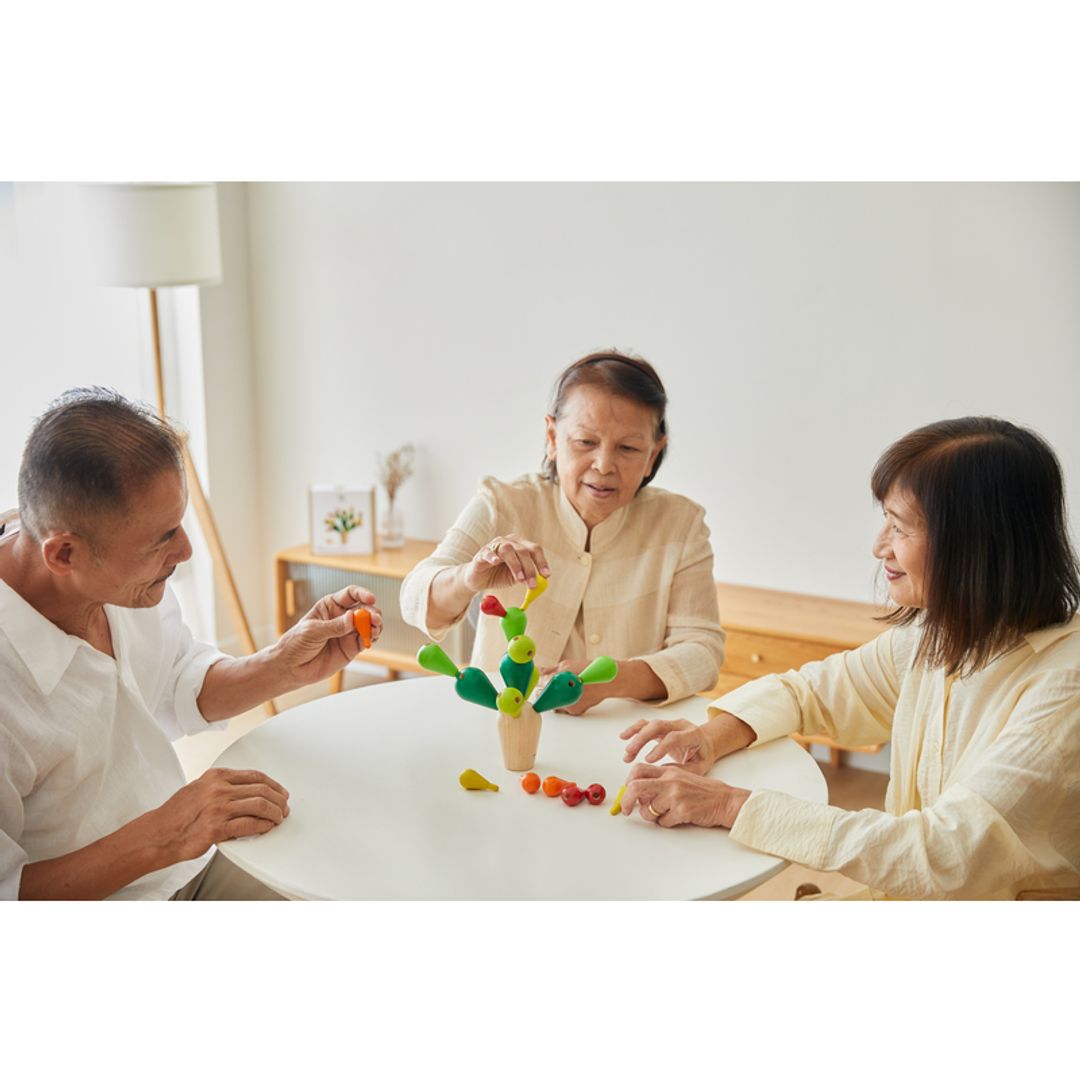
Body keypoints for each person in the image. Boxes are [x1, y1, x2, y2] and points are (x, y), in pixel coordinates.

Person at [618, 417, 1080, 900]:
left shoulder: (1062, 688)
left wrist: (730, 806)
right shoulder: (946, 634)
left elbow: (943, 854)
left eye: (899, 527)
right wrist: (707, 739)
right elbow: (811, 691)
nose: (879, 546)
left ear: (977, 544)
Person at [0, 388, 383, 900]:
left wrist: (281, 665)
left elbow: (178, 679)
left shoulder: (124, 584)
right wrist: (166, 834)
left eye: (179, 523)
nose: (184, 550)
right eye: (162, 538)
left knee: (357, 874)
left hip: (188, 867)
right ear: (65, 553)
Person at [400, 351, 726, 712]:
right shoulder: (502, 504)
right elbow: (414, 595)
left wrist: (614, 680)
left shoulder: (680, 524)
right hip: (505, 726)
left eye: (629, 448)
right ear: (553, 437)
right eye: (585, 442)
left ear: (653, 455)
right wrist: (467, 577)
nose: (603, 465)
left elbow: (703, 651)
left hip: (627, 740)